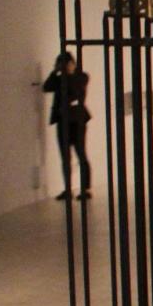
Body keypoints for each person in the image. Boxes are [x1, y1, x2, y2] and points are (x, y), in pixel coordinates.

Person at [43, 52, 92, 200]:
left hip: (77, 121)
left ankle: (85, 189)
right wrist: (55, 71)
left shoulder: (81, 77)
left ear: (72, 64)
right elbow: (46, 87)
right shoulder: (59, 79)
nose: (63, 68)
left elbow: (75, 91)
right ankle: (68, 189)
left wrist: (68, 74)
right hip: (63, 120)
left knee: (81, 154)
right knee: (65, 157)